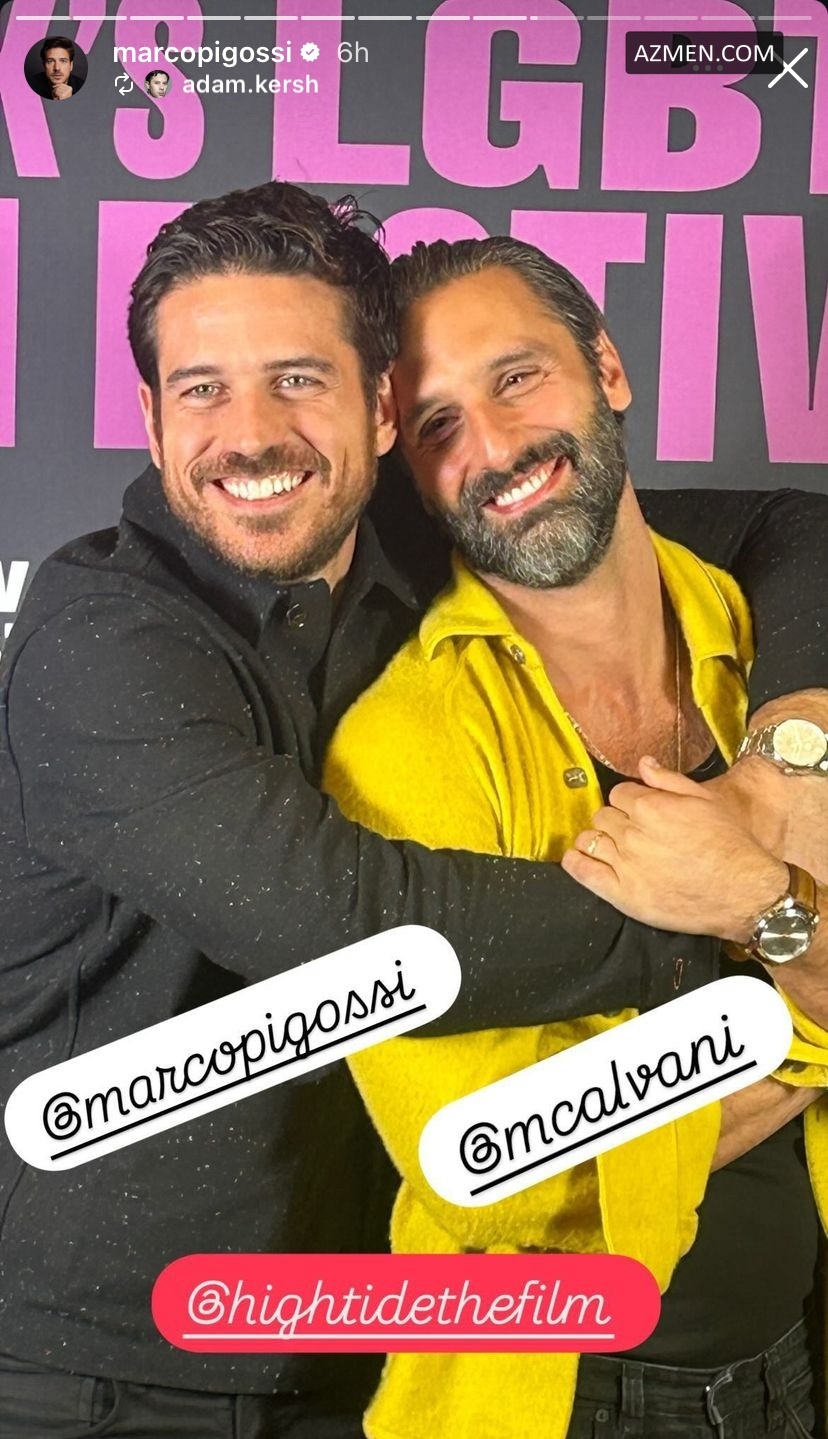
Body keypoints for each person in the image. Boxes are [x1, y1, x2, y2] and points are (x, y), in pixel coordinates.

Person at [0, 182, 826, 1438]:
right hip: (107, 1365)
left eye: (297, 379)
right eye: (202, 389)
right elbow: (346, 923)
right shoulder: (102, 637)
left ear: (376, 413)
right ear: (153, 419)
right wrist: (748, 914)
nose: (251, 435)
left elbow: (780, 527)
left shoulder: (429, 508)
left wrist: (784, 751)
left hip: (356, 1339)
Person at [323, 237, 828, 1439]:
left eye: (517, 378)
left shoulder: (778, 656)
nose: (494, 446)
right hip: (556, 1392)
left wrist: (762, 907)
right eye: (438, 424)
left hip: (789, 1365)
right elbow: (494, 1163)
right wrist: (796, 969)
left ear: (606, 366)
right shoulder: (401, 743)